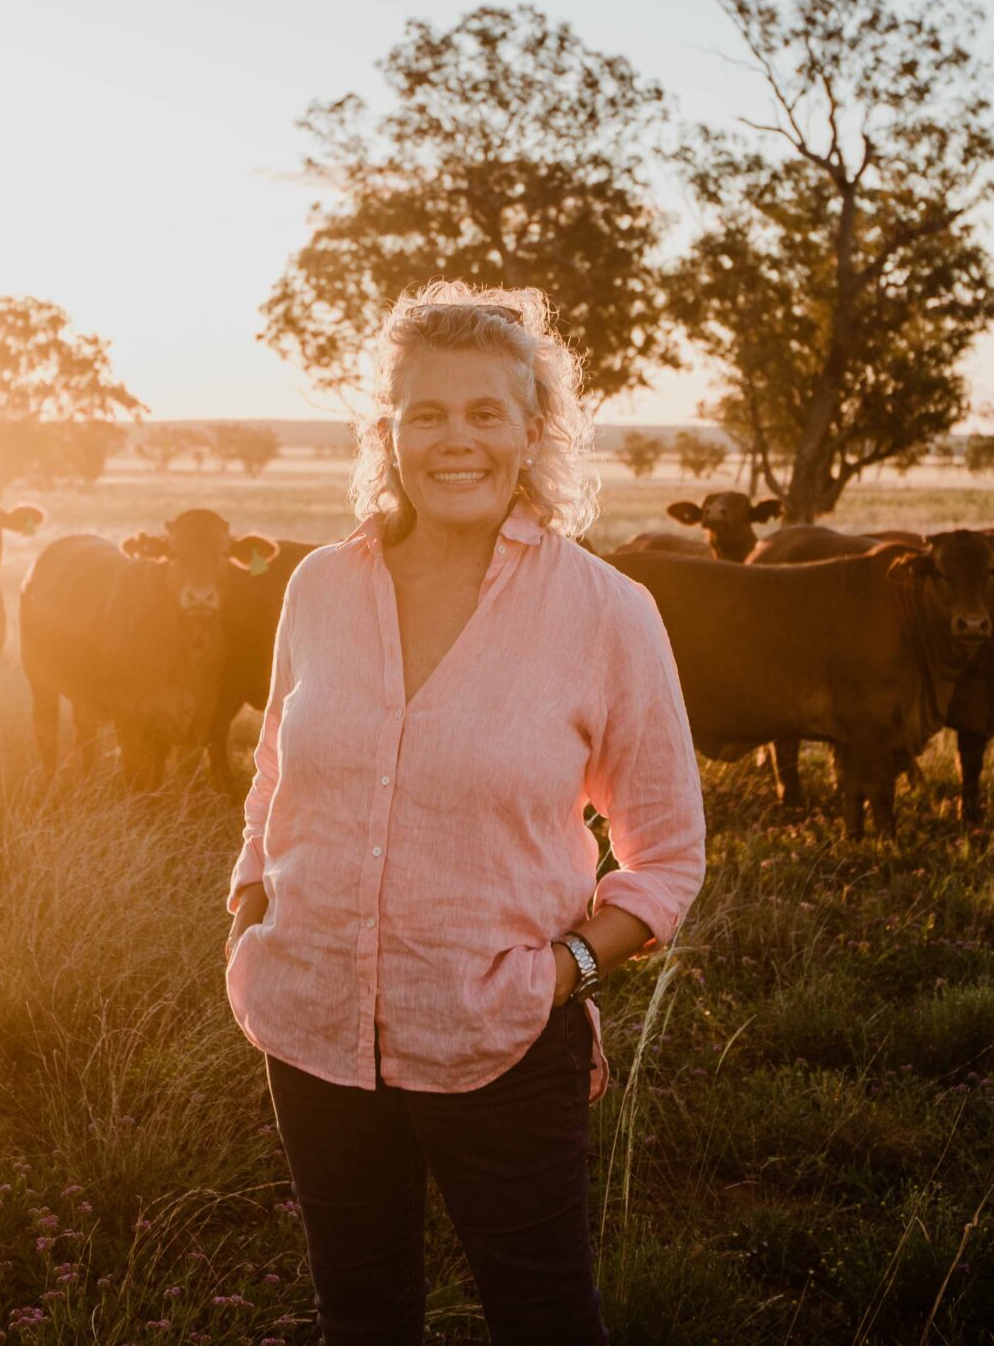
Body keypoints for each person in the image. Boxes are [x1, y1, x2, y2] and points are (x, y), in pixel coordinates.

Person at [223, 281, 707, 1345]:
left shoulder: (606, 612)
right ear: (386, 430)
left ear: (532, 431)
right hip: (311, 1026)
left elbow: (667, 853)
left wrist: (562, 975)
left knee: (541, 1319)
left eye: (485, 412)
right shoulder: (318, 586)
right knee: (361, 1313)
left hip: (500, 1034)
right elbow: (274, 763)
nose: (456, 439)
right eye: (426, 412)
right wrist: (252, 895)